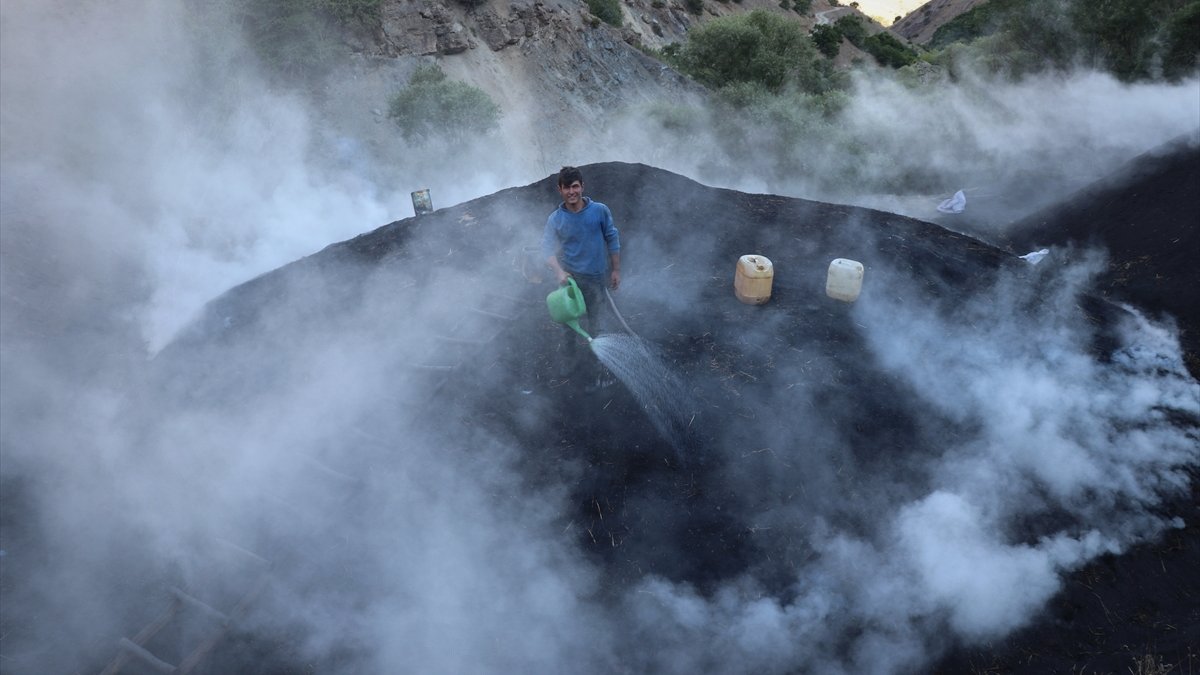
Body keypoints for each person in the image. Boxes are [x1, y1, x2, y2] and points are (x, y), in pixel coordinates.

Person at [541, 166, 621, 383]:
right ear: (559, 189)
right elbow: (546, 250)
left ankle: (599, 368)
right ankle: (571, 365)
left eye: (575, 186)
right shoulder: (556, 219)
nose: (571, 192)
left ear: (582, 187)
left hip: (596, 278)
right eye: (566, 188)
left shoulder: (599, 211)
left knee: (597, 323)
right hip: (571, 281)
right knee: (569, 325)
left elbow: (612, 238)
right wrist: (558, 272)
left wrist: (615, 270)